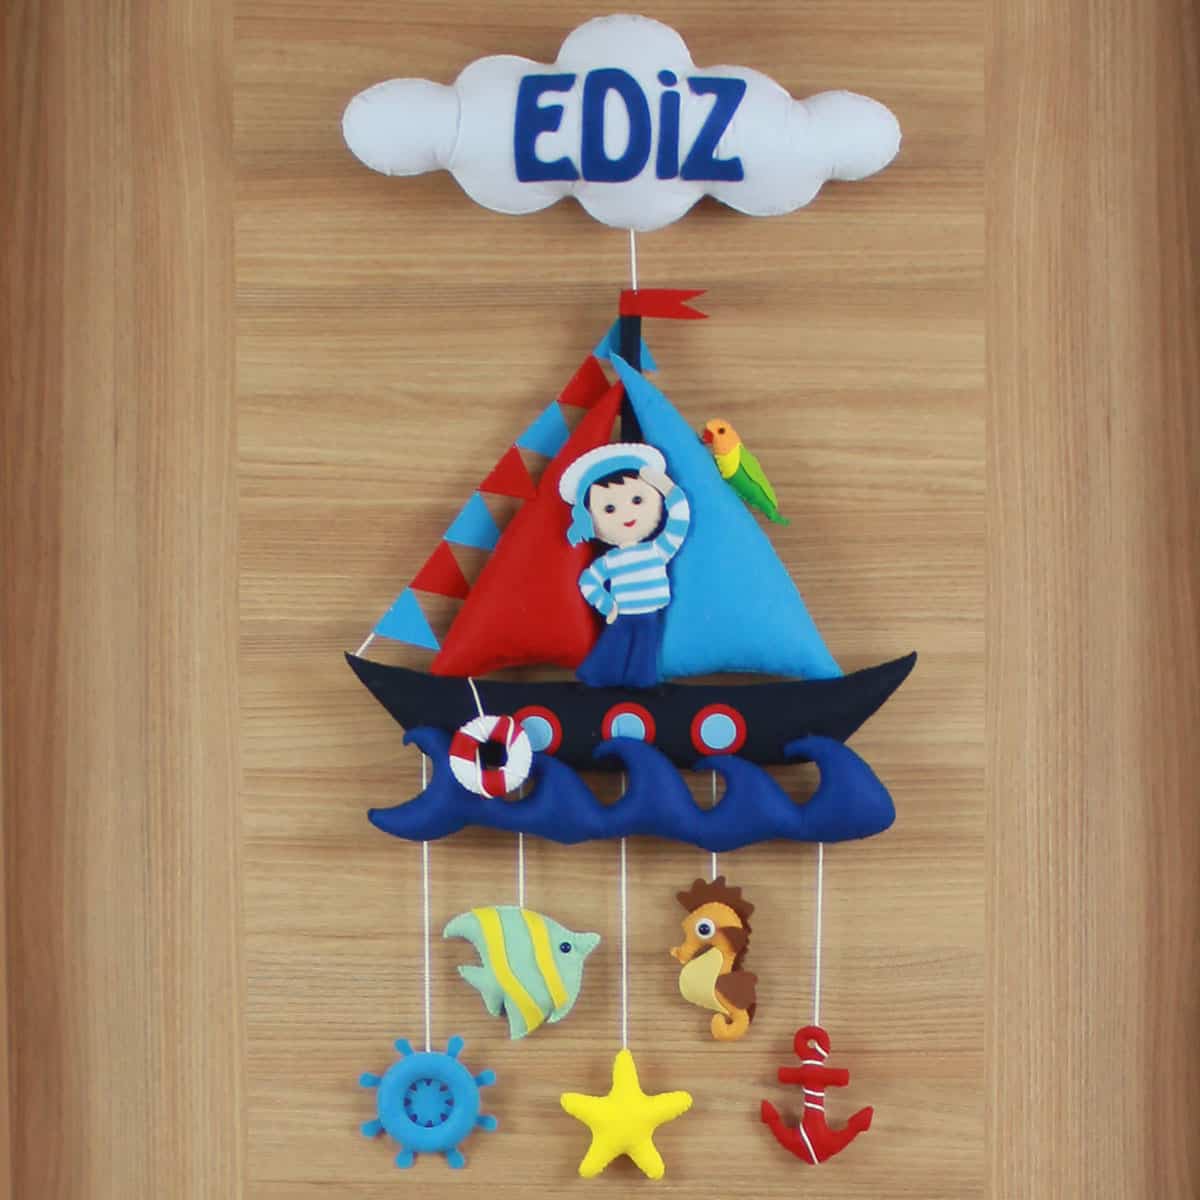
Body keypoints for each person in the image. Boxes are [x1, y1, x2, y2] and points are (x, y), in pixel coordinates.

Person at [558, 443, 690, 688]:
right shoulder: (612, 560)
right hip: (623, 612)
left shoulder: (657, 549)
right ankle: (597, 676)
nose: (626, 513)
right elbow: (588, 580)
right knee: (613, 646)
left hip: (650, 612)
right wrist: (607, 604)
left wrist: (667, 488)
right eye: (609, 508)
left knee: (646, 650)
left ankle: (642, 682)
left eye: (637, 499)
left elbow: (680, 518)